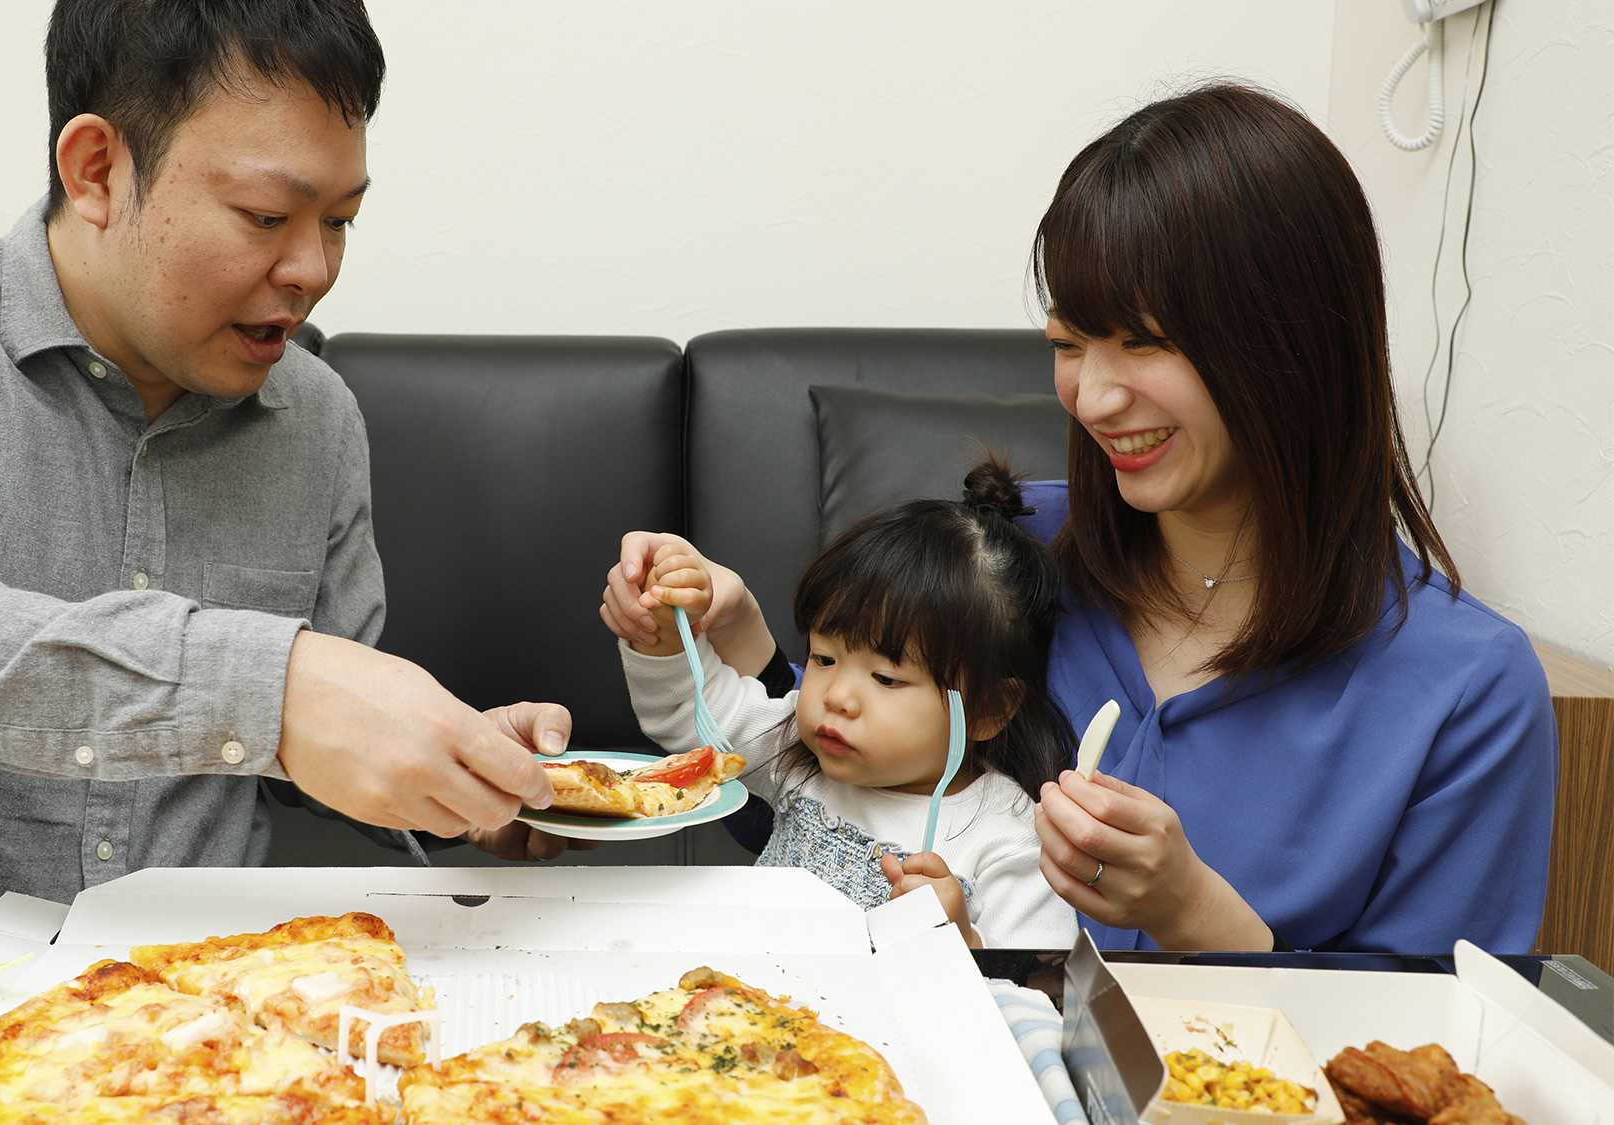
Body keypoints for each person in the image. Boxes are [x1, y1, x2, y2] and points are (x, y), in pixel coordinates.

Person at [606, 82, 1557, 954]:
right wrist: (730, 640)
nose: (1092, 396)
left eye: (1143, 342)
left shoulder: (1467, 693)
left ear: (1293, 346)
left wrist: (1196, 916)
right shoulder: (1005, 552)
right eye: (1068, 340)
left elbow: (1425, 1064)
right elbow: (812, 803)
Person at [0, 0, 577, 937]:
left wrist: (453, 776)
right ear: (97, 170)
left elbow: (306, 752)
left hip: (194, 1008)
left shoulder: (318, 414)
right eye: (266, 215)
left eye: (340, 220)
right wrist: (270, 685)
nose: (312, 268)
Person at [607, 462, 1079, 949]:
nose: (837, 696)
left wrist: (962, 942)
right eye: (824, 657)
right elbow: (694, 713)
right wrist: (662, 633)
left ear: (987, 709)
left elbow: (1035, 998)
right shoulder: (800, 756)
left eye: (886, 678)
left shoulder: (1011, 840)